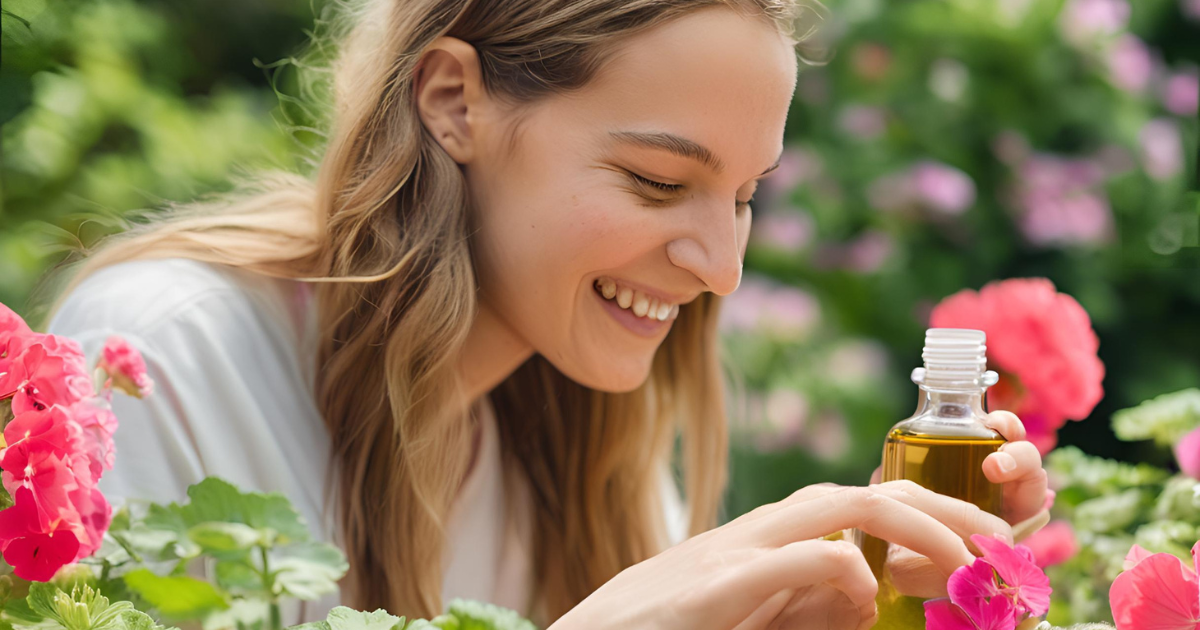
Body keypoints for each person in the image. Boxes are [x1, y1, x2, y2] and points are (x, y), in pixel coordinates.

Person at [46, 0, 1051, 628]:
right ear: (454, 101)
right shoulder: (162, 366)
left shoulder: (592, 467)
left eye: (744, 197)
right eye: (658, 182)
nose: (724, 268)